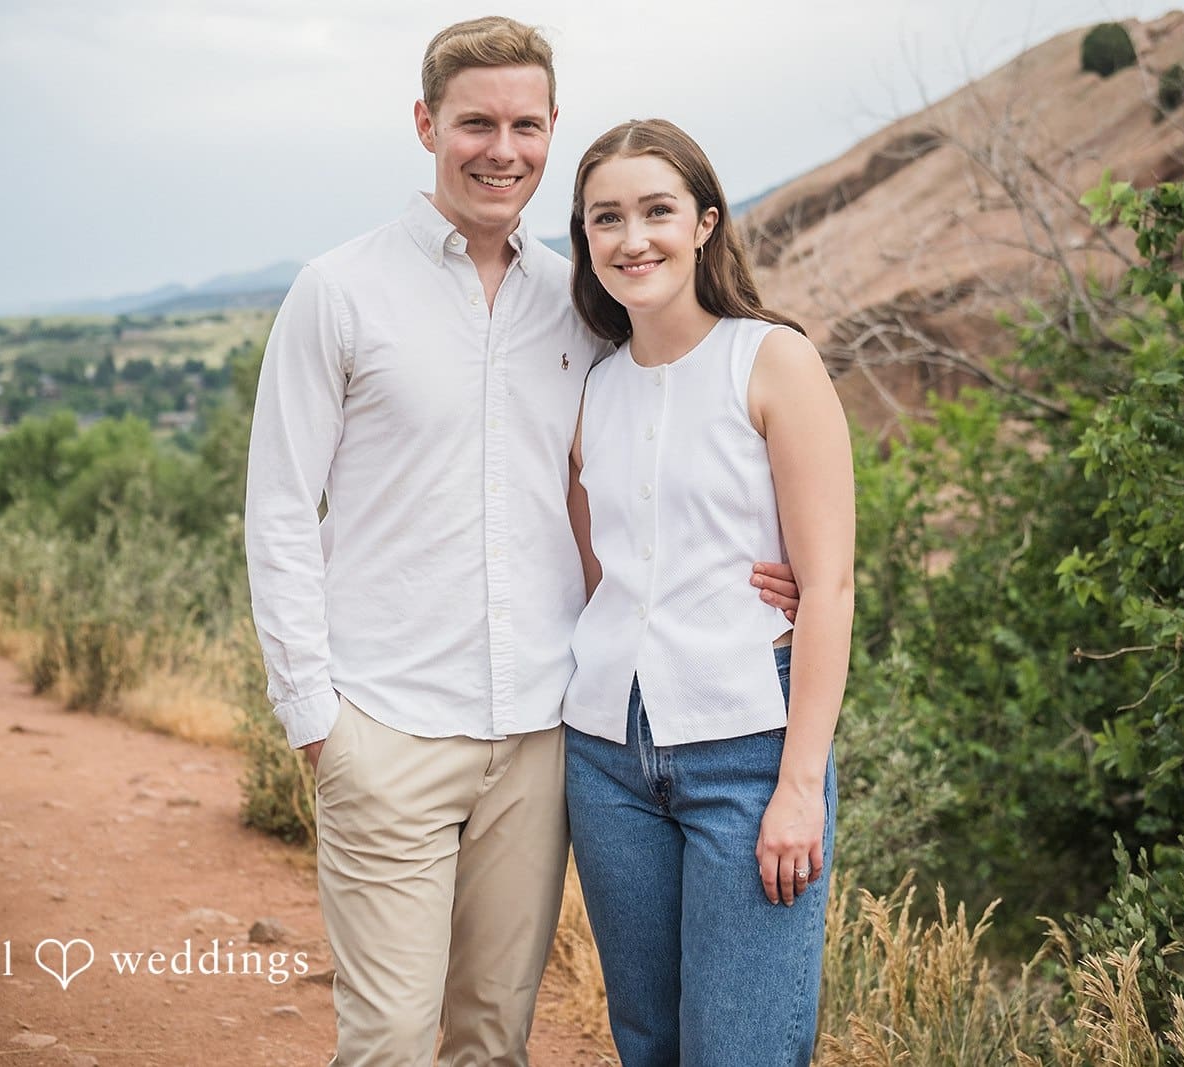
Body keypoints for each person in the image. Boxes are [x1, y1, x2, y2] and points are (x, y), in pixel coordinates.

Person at [244, 20, 799, 1066]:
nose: (502, 150)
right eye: (476, 124)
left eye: (526, 126)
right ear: (426, 125)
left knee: (494, 1040)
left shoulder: (582, 302)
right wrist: (313, 715)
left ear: (550, 132)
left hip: (546, 736)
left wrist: (766, 573)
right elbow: (278, 506)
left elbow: (653, 461)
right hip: (387, 723)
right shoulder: (340, 291)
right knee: (389, 1042)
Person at [562, 118, 855, 1067]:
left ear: (704, 224)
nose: (632, 237)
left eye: (658, 210)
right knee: (647, 1043)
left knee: (742, 1049)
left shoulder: (770, 360)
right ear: (585, 238)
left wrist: (799, 787)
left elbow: (830, 584)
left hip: (749, 752)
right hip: (606, 757)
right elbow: (602, 578)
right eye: (607, 217)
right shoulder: (592, 391)